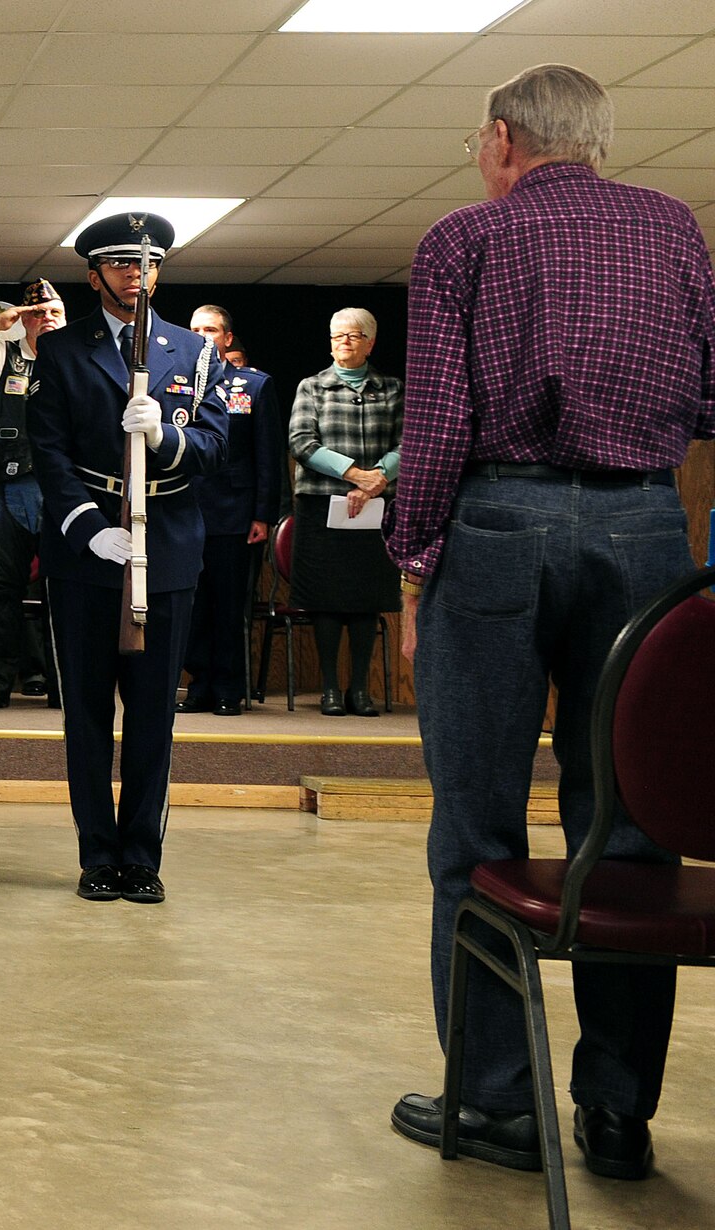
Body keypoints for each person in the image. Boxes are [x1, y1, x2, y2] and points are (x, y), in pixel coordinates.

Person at [387, 63, 715, 1185]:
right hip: (641, 530)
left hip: (497, 525)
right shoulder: (674, 229)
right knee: (627, 834)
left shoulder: (459, 242)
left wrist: (413, 566)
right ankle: (617, 1118)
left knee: (474, 832)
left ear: (498, 140)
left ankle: (492, 1108)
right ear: (596, 142)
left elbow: (435, 423)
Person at [26, 212, 227, 906]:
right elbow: (46, 453)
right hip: (87, 550)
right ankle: (96, 854)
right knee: (85, 712)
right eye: (118, 265)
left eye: (144, 265)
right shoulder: (59, 352)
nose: (132, 276)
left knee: (152, 714)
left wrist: (168, 437)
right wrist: (86, 527)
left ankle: (142, 855)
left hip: (166, 543)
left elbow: (215, 444)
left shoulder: (193, 353)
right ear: (94, 274)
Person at [287, 307, 402, 718]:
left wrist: (377, 479)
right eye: (337, 336)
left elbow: (407, 444)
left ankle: (360, 689)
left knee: (365, 599)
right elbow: (301, 442)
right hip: (322, 504)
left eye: (353, 336)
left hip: (374, 507)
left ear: (370, 342)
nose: (344, 343)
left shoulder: (391, 389)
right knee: (327, 599)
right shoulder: (312, 387)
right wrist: (355, 474)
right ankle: (331, 689)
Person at [0, 277, 66, 710]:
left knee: (67, 592)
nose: (46, 321)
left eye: (54, 313)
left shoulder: (84, 360)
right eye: (36, 314)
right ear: (23, 322)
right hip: (9, 491)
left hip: (67, 493)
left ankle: (65, 687)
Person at [179, 305, 282, 716]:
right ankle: (199, 685)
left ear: (226, 338)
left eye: (211, 329)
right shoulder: (176, 381)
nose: (203, 335)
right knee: (192, 604)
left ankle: (227, 689)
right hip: (184, 509)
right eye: (195, 329)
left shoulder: (253, 385)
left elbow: (268, 454)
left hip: (235, 514)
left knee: (228, 605)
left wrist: (263, 514)